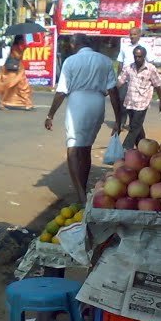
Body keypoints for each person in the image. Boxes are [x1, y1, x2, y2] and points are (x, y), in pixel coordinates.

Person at [44, 35, 123, 202]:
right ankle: (83, 187)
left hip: (78, 103)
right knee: (86, 148)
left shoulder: (71, 61)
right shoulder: (105, 61)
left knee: (72, 147)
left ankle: (80, 195)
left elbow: (61, 91)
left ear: (74, 44)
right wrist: (118, 119)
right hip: (97, 103)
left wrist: (50, 114)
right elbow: (114, 92)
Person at [116, 45, 161, 149]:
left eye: (139, 56)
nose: (137, 59)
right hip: (130, 102)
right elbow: (120, 82)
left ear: (144, 56)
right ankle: (144, 148)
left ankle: (125, 149)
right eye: (135, 56)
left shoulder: (151, 69)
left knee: (134, 127)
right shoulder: (129, 68)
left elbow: (157, 85)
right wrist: (109, 91)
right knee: (138, 127)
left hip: (142, 103)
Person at [0, 35, 34, 110]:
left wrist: (24, 48)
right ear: (18, 40)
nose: (23, 41)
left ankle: (27, 103)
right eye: (22, 39)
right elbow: (17, 56)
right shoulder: (15, 47)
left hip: (19, 70)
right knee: (8, 86)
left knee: (23, 86)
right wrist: (23, 50)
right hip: (12, 70)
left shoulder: (20, 46)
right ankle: (2, 103)